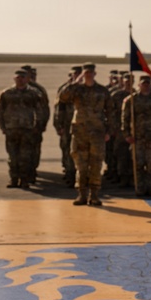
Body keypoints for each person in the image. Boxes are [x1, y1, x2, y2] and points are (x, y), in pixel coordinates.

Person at [58, 62, 113, 206]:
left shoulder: (102, 91)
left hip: (97, 132)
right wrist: (76, 82)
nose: (88, 75)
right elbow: (62, 97)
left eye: (90, 73)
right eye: (86, 73)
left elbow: (110, 112)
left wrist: (109, 131)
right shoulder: (77, 90)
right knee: (81, 166)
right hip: (80, 133)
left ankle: (94, 195)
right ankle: (81, 194)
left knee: (96, 164)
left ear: (95, 74)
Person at [121, 74, 151, 196]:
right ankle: (140, 188)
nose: (146, 86)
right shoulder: (131, 100)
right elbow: (125, 119)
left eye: (148, 84)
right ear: (139, 85)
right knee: (138, 164)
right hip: (137, 138)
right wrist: (126, 135)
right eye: (143, 84)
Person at [0, 69, 40, 188]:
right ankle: (14, 179)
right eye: (18, 78)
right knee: (13, 156)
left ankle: (24, 180)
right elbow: (1, 111)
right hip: (11, 128)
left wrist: (37, 127)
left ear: (27, 79)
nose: (20, 80)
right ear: (14, 79)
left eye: (23, 77)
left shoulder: (34, 93)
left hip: (27, 129)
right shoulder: (7, 93)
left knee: (25, 156)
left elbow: (39, 110)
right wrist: (2, 126)